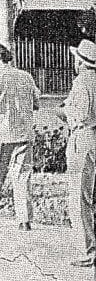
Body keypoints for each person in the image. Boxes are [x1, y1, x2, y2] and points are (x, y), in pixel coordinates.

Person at [0, 42, 39, 229]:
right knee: (22, 176)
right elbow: (36, 103)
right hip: (23, 133)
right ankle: (24, 220)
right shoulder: (26, 77)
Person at [56, 39, 96, 267]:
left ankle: (86, 251)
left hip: (83, 137)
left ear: (80, 62)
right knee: (91, 195)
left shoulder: (82, 82)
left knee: (79, 197)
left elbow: (79, 115)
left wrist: (64, 111)